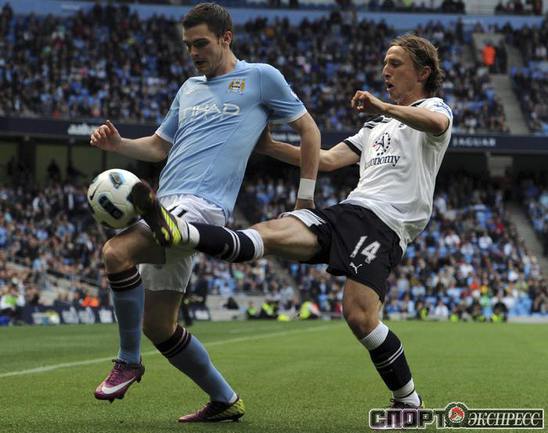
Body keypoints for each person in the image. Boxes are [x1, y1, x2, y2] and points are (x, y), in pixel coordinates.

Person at [131, 34, 452, 425]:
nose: (386, 70)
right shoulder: (374, 127)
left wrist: (384, 105)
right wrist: (268, 145)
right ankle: (180, 231)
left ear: (423, 72)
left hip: (384, 224)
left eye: (395, 63)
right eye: (385, 62)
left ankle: (409, 403)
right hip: (348, 212)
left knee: (360, 317)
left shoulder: (434, 108)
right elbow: (328, 159)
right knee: (267, 234)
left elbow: (436, 124)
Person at [89, 3, 320, 423]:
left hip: (203, 207)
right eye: (188, 45)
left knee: (115, 252)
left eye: (201, 44)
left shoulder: (261, 78)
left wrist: (305, 199)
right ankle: (225, 399)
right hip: (169, 203)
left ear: (225, 38)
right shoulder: (189, 88)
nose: (193, 52)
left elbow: (310, 131)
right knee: (159, 326)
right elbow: (159, 146)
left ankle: (128, 360)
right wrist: (118, 145)